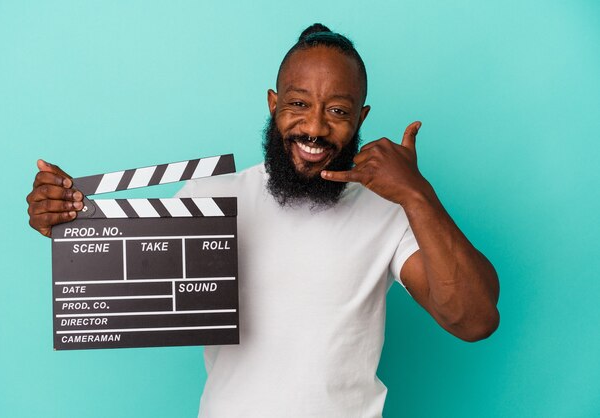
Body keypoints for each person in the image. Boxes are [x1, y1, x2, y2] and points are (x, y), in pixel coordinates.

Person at [27, 24, 499, 418]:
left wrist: (419, 194)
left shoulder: (387, 209)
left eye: (337, 111)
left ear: (361, 118)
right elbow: (123, 279)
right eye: (298, 104)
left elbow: (474, 320)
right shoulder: (210, 198)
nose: (315, 128)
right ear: (273, 104)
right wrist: (69, 218)